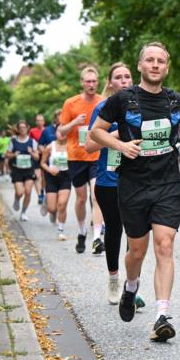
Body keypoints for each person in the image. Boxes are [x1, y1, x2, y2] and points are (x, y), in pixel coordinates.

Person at [91, 41, 180, 342]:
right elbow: (96, 131)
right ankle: (131, 286)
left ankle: (162, 315)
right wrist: (120, 145)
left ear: (166, 66)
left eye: (160, 61)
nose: (154, 65)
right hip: (133, 185)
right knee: (136, 250)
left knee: (164, 245)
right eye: (149, 60)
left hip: (166, 185)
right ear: (140, 65)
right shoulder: (123, 100)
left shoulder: (175, 101)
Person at [84, 62, 140, 304]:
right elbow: (90, 145)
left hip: (137, 179)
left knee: (136, 235)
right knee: (114, 230)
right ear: (110, 83)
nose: (124, 80)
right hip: (108, 181)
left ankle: (132, 287)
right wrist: (117, 134)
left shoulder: (139, 107)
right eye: (118, 77)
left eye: (128, 76)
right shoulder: (102, 108)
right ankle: (114, 280)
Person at [58, 66, 105, 256]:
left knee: (96, 196)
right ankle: (81, 231)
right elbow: (61, 131)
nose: (91, 84)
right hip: (76, 156)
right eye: (88, 81)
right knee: (81, 199)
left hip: (96, 155)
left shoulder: (102, 102)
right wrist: (74, 123)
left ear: (98, 82)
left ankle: (96, 237)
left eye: (94, 81)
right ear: (82, 82)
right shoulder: (71, 103)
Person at [40, 128, 72, 240]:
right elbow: (42, 163)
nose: (62, 134)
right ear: (56, 133)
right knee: (52, 209)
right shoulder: (50, 147)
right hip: (51, 177)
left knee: (62, 204)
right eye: (59, 131)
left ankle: (61, 230)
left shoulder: (71, 146)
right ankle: (47, 202)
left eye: (64, 132)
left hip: (66, 177)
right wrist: (49, 169)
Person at [6, 120, 40, 221]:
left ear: (27, 128)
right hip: (17, 170)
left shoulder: (32, 142)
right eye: (20, 127)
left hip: (29, 170)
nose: (22, 129)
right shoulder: (13, 141)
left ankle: (23, 213)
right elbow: (7, 154)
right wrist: (13, 155)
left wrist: (31, 152)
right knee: (20, 192)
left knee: (28, 191)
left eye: (24, 127)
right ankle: (17, 199)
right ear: (18, 129)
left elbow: (37, 157)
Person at [29, 113, 46, 206]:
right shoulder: (32, 131)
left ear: (44, 122)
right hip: (36, 156)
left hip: (45, 156)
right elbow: (30, 143)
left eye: (41, 120)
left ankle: (42, 191)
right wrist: (33, 152)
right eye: (38, 120)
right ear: (35, 122)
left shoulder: (47, 131)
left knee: (44, 177)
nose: (40, 122)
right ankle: (39, 195)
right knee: (37, 176)